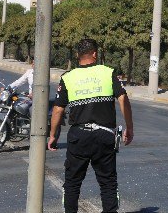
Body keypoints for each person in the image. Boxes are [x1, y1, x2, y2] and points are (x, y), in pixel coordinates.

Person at [48, 38, 134, 213]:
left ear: (78, 55)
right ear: (95, 54)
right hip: (104, 136)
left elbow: (57, 110)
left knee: (72, 182)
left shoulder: (68, 77)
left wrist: (52, 135)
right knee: (108, 182)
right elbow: (123, 98)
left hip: (79, 136)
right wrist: (129, 127)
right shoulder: (108, 72)